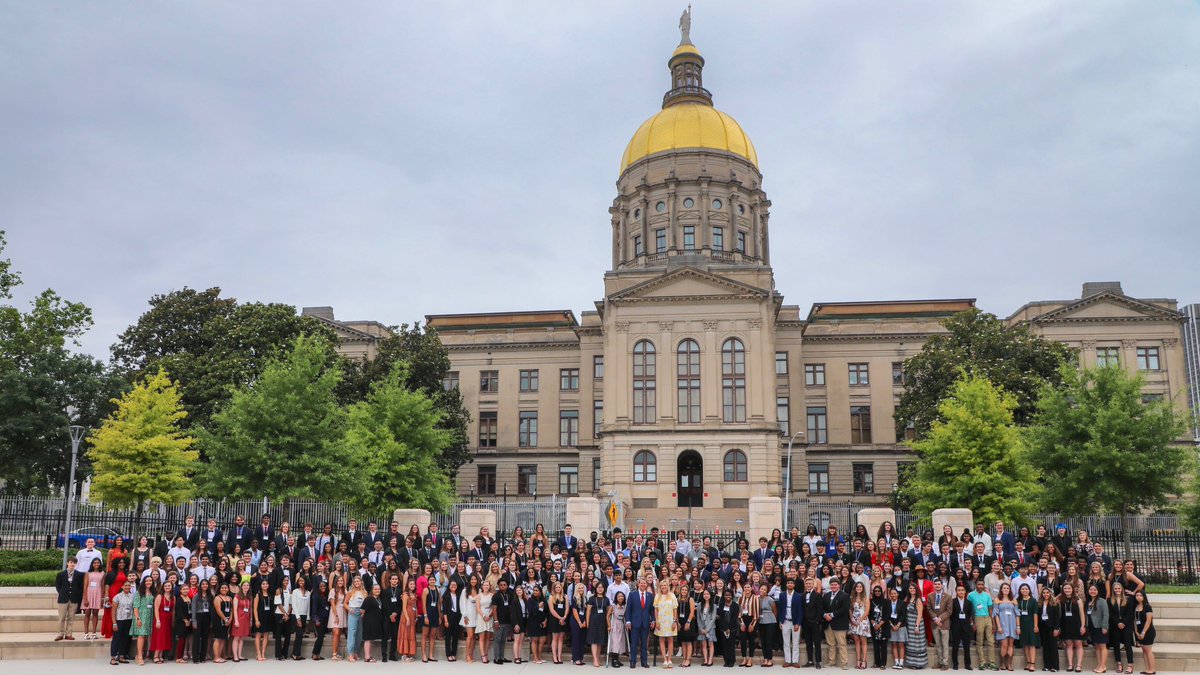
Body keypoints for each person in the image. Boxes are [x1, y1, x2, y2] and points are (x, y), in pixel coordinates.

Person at [968, 579, 996, 670]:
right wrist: (972, 623)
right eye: (979, 584)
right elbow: (969, 610)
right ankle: (982, 663)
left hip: (987, 617)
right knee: (979, 641)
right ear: (976, 585)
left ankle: (992, 662)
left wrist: (993, 622)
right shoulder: (971, 595)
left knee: (991, 641)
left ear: (984, 585)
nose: (980, 586)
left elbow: (990, 609)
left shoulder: (987, 595)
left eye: (982, 584)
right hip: (977, 618)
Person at [55, 558, 85, 642]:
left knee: (71, 617)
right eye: (71, 562)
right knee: (62, 617)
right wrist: (63, 593)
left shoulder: (79, 575)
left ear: (76, 564)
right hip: (63, 598)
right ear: (67, 563)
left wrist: (77, 596)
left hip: (74, 598)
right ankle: (60, 634)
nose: (72, 564)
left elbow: (80, 587)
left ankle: (68, 634)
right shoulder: (60, 574)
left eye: (74, 563)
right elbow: (58, 586)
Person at [627, 578, 654, 669]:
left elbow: (652, 610)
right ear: (638, 584)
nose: (643, 584)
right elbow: (628, 609)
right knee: (634, 643)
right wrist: (628, 621)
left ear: (646, 585)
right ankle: (633, 661)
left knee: (644, 644)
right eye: (641, 583)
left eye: (644, 583)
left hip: (645, 623)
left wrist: (653, 620)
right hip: (634, 623)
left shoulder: (650, 595)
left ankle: (644, 662)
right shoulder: (632, 594)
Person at [824, 578, 851, 670]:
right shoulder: (826, 595)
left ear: (839, 585)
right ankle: (832, 661)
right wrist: (825, 615)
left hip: (840, 624)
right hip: (828, 624)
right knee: (831, 644)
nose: (833, 586)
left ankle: (844, 663)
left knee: (842, 644)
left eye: (835, 584)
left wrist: (832, 614)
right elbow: (823, 607)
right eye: (832, 585)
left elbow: (845, 609)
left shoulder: (845, 596)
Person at [1109, 581, 1134, 675]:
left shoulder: (1128, 599)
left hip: (1126, 625)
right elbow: (1110, 614)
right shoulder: (1109, 600)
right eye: (1115, 589)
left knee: (1127, 645)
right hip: (1115, 625)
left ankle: (1130, 665)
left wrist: (1123, 623)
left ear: (1122, 589)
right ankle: (1119, 664)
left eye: (1119, 588)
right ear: (1113, 590)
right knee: (1116, 645)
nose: (1117, 590)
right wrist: (1118, 623)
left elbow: (1130, 613)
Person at [1060, 583, 1086, 673]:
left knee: (1078, 644)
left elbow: (1082, 614)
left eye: (1069, 588)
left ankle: (1079, 665)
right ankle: (1070, 664)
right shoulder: (1061, 600)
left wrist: (1083, 626)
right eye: (1065, 588)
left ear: (1072, 589)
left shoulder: (1078, 600)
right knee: (1069, 645)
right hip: (1066, 625)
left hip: (1077, 625)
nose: (1067, 590)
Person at [1015, 583, 1039, 671]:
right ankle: (1028, 662)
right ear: (1020, 591)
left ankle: (1033, 664)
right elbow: (1017, 614)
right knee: (1025, 644)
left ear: (1029, 590)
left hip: (1031, 624)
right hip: (1022, 624)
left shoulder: (1033, 600)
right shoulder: (1018, 600)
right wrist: (1018, 627)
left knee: (1032, 644)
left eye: (1026, 589)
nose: (1024, 590)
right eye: (1022, 589)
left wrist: (1036, 625)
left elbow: (1035, 614)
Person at [1086, 584, 1110, 674]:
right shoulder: (1088, 602)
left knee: (1102, 646)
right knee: (1096, 647)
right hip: (1092, 627)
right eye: (1091, 590)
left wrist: (1105, 627)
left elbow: (1106, 614)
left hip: (1100, 627)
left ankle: (1103, 666)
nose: (1092, 591)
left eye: (1094, 590)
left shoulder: (1102, 601)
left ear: (1098, 591)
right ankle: (1099, 665)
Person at [587, 582, 611, 667]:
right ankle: (594, 659)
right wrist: (587, 622)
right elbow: (588, 611)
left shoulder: (606, 599)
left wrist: (609, 624)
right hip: (593, 621)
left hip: (602, 622)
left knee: (600, 641)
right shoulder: (592, 598)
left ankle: (597, 657)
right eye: (598, 587)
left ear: (604, 589)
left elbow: (608, 612)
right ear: (596, 588)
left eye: (601, 587)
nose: (600, 589)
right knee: (594, 640)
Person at [849, 581, 872, 670]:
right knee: (857, 641)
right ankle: (858, 660)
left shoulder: (866, 598)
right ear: (855, 588)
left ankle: (863, 661)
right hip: (854, 622)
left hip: (863, 622)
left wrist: (860, 620)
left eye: (860, 587)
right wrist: (852, 619)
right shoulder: (852, 598)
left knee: (863, 642)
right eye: (857, 587)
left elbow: (867, 611)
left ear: (863, 588)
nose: (859, 588)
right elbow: (850, 610)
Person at [1038, 586, 1061, 673]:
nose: (1046, 594)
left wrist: (1056, 628)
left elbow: (1057, 617)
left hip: (1052, 628)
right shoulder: (1040, 603)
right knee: (1045, 647)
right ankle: (1047, 666)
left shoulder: (1054, 604)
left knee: (1053, 647)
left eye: (1047, 593)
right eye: (1044, 593)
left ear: (1050, 594)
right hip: (1043, 627)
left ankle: (1055, 666)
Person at [345, 574, 367, 661]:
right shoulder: (350, 592)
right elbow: (345, 603)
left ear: (361, 582)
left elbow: (366, 604)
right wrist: (350, 609)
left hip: (361, 612)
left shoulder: (364, 592)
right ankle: (350, 653)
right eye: (355, 582)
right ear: (353, 583)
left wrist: (364, 611)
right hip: (353, 612)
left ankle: (355, 652)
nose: (357, 583)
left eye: (358, 581)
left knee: (359, 633)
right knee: (352, 632)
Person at [1131, 591, 1154, 675]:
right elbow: (1135, 620)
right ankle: (1147, 669)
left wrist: (1143, 632)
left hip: (1148, 632)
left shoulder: (1147, 607)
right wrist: (1136, 631)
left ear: (1144, 596)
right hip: (1139, 632)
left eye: (1140, 595)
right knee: (1144, 650)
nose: (1138, 597)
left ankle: (1152, 669)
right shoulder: (1136, 607)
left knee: (1148, 651)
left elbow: (1148, 621)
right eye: (1137, 595)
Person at [361, 583, 383, 662]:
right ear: (372, 590)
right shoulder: (369, 598)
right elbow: (362, 610)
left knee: (370, 639)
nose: (377, 590)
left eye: (379, 589)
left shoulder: (378, 598)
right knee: (367, 639)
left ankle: (369, 656)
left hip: (374, 622)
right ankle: (367, 657)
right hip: (368, 622)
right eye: (376, 589)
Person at [253, 578, 273, 662]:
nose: (265, 585)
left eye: (266, 584)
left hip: (268, 617)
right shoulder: (258, 595)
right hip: (260, 617)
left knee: (266, 635)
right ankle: (258, 653)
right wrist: (256, 620)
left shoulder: (270, 594)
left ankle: (263, 652)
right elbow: (255, 609)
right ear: (261, 586)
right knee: (258, 634)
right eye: (263, 584)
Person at [231, 581, 251, 662]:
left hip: (246, 619)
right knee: (236, 638)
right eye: (244, 585)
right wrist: (236, 621)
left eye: (247, 585)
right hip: (239, 619)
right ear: (241, 587)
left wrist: (250, 620)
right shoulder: (237, 596)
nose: (246, 587)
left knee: (242, 638)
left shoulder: (249, 597)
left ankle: (240, 655)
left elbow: (249, 610)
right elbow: (234, 610)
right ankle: (235, 656)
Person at [549, 581, 569, 665]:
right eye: (556, 587)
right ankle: (554, 656)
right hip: (555, 619)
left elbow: (567, 607)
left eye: (559, 587)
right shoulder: (551, 597)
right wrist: (559, 618)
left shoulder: (565, 596)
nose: (558, 589)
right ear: (554, 588)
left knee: (561, 639)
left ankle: (559, 656)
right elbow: (551, 610)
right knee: (555, 638)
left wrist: (564, 617)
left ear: (561, 588)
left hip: (563, 619)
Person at [444, 578, 464, 661]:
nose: (453, 586)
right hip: (449, 618)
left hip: (457, 618)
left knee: (455, 637)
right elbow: (444, 609)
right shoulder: (446, 596)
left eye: (455, 585)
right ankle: (448, 654)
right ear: (449, 586)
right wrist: (446, 620)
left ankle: (453, 654)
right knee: (448, 637)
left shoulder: (458, 595)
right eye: (452, 585)